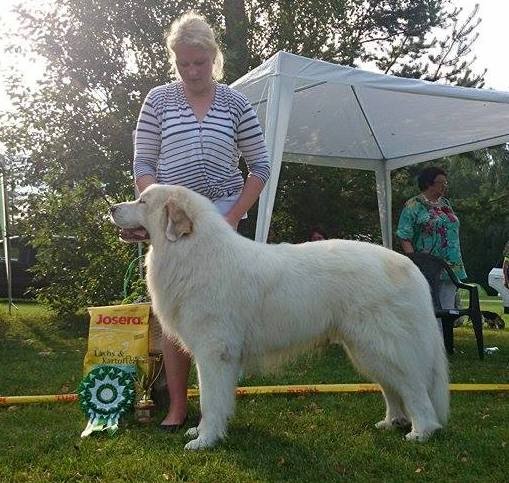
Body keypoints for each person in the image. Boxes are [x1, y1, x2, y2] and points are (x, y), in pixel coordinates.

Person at [132, 12, 270, 431]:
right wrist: (154, 208)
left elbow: (260, 166)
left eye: (200, 62)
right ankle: (177, 407)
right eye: (183, 63)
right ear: (174, 61)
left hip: (222, 219)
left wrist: (230, 217)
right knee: (174, 313)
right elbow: (144, 162)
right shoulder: (158, 100)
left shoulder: (235, 102)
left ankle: (217, 410)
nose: (192, 71)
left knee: (219, 319)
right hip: (171, 222)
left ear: (214, 58)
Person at [396, 166, 466, 315]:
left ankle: (444, 338)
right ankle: (432, 337)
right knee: (430, 309)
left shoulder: (445, 204)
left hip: (452, 264)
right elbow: (404, 235)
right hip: (427, 265)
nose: (445, 186)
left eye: (446, 183)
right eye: (441, 182)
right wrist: (416, 262)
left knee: (447, 309)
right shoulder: (413, 205)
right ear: (429, 183)